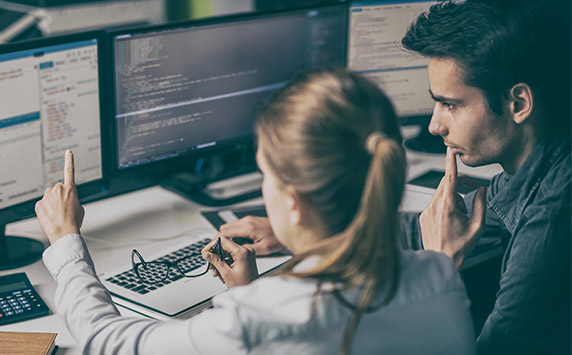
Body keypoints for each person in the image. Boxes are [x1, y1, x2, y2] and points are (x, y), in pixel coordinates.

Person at [35, 69, 475, 354]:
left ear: (294, 203)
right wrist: (245, 292)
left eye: (266, 173)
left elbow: (104, 342)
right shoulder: (440, 274)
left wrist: (65, 240)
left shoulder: (265, 316)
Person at [219, 1, 571, 354]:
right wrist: (304, 228)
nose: (435, 126)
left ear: (519, 103)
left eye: (451, 105)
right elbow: (431, 227)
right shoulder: (534, 168)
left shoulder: (553, 221)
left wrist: (441, 268)